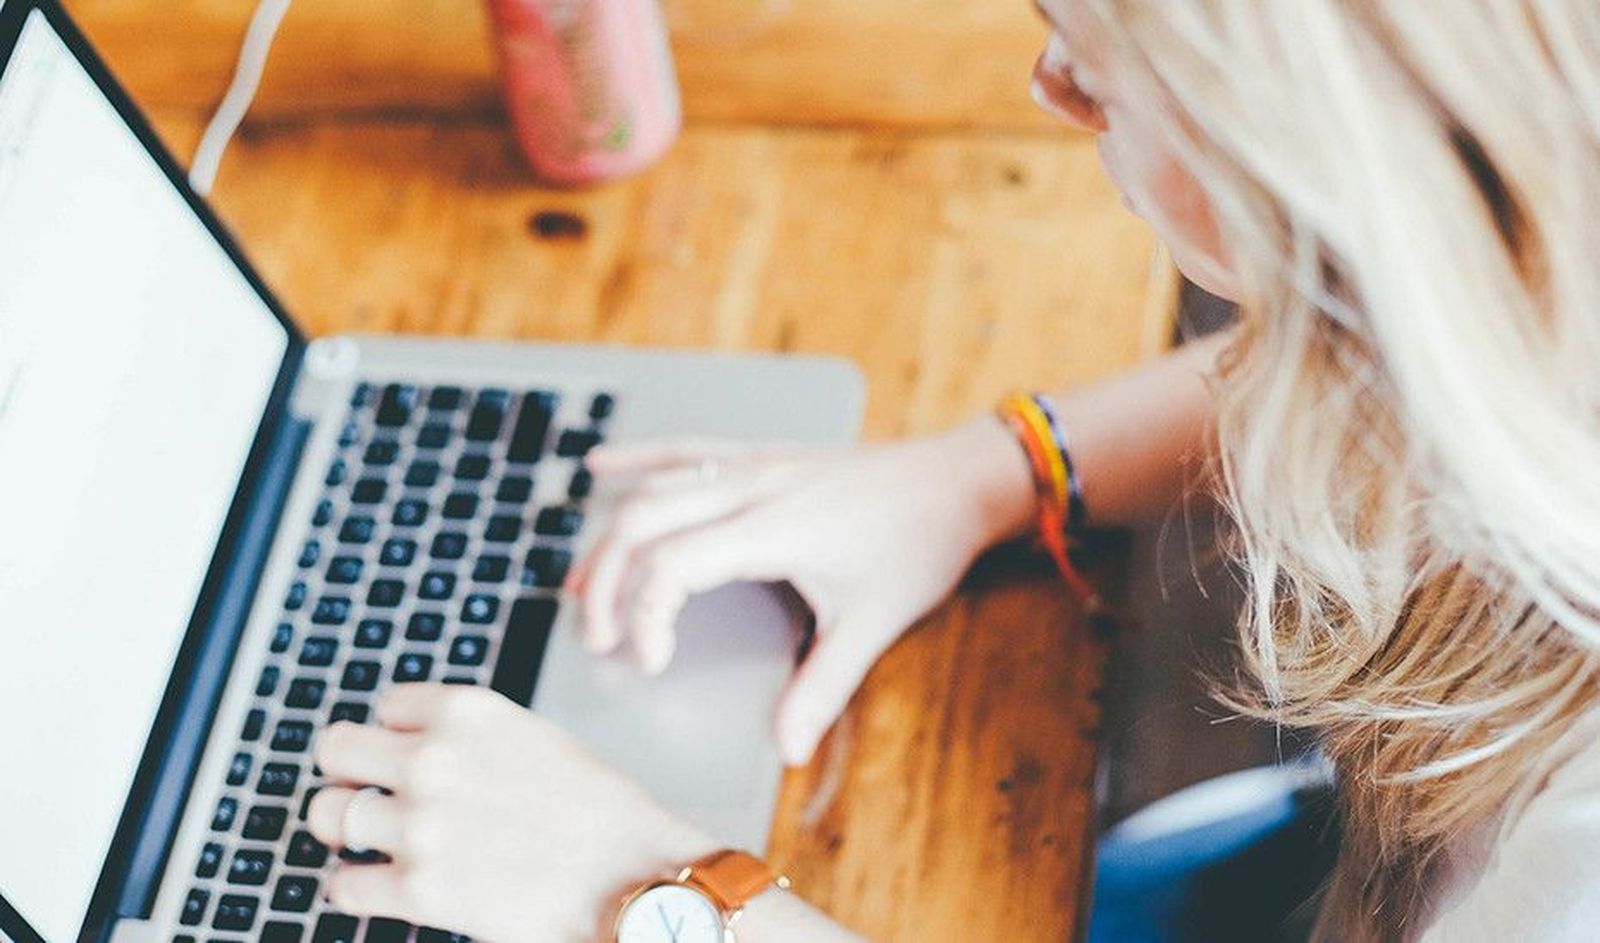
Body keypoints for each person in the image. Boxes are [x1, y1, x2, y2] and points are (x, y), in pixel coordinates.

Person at [305, 0, 1600, 940]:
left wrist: (634, 890)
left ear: (1297, 165)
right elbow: (1388, 345)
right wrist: (994, 473)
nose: (1051, 88)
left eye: (1094, 69)